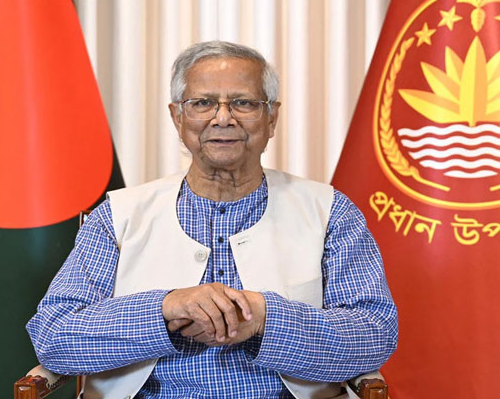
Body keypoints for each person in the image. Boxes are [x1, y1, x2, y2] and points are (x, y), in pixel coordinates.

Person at [27, 41, 398, 399]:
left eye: (244, 103)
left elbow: (374, 334)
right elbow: (54, 337)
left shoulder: (330, 211)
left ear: (271, 117)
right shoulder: (119, 215)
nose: (223, 118)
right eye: (202, 103)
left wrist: (265, 317)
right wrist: (165, 309)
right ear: (177, 117)